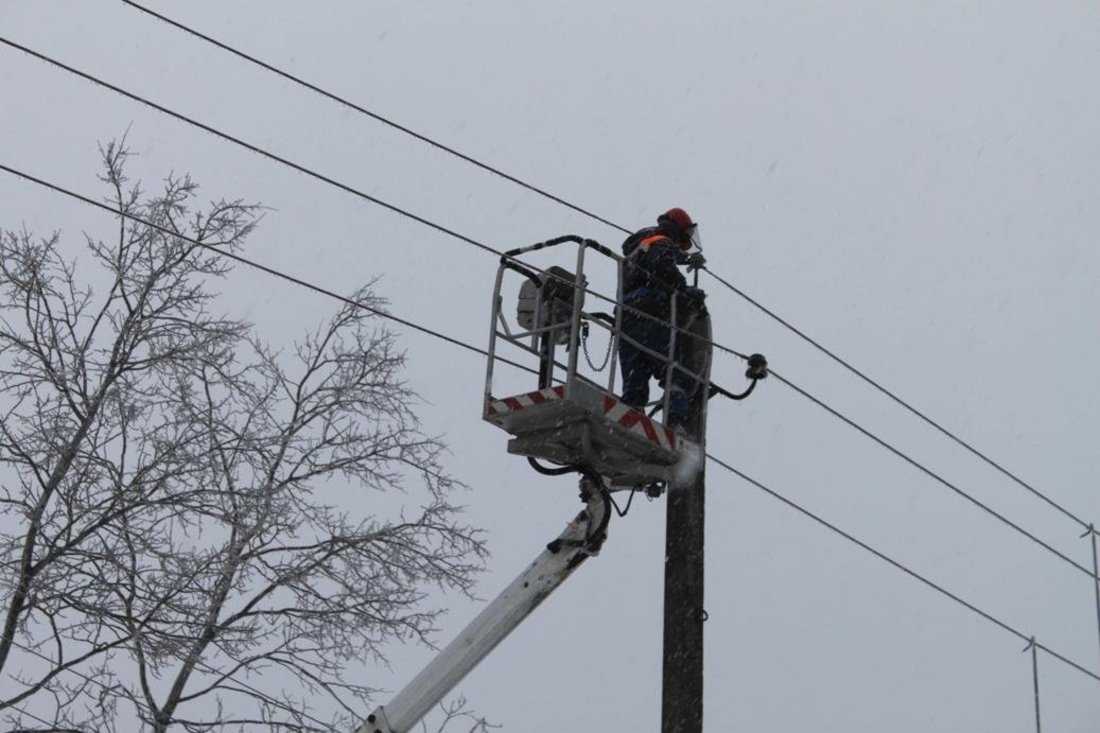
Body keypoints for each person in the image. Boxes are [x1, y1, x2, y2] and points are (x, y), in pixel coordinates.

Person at [618, 207, 707, 430]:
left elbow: (655, 261)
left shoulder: (639, 245)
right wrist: (685, 290)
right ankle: (675, 420)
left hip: (626, 316)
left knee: (635, 374)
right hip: (651, 313)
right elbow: (663, 266)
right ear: (677, 229)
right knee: (676, 370)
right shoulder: (662, 241)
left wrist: (685, 259)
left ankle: (632, 414)